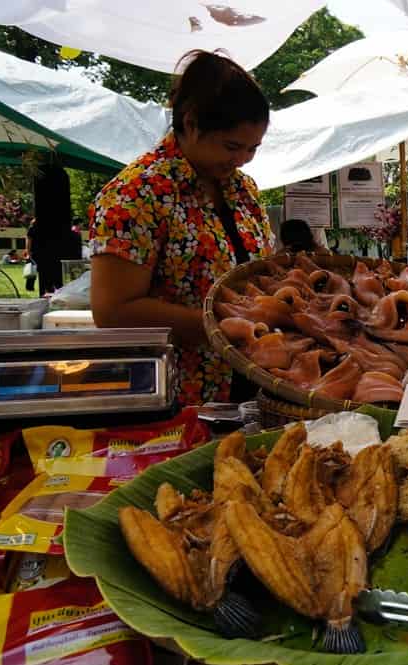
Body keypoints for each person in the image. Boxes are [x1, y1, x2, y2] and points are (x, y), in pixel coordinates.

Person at [89, 50, 274, 407]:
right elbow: (113, 311)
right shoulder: (136, 194)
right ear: (190, 123)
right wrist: (220, 325)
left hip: (252, 385)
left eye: (253, 149)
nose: (241, 160)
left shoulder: (243, 190)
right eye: (232, 146)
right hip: (176, 395)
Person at [29, 166, 75, 295]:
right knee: (57, 280)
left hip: (44, 248)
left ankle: (47, 293)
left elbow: (31, 239)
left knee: (46, 279)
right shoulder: (61, 176)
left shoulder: (37, 226)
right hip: (56, 246)